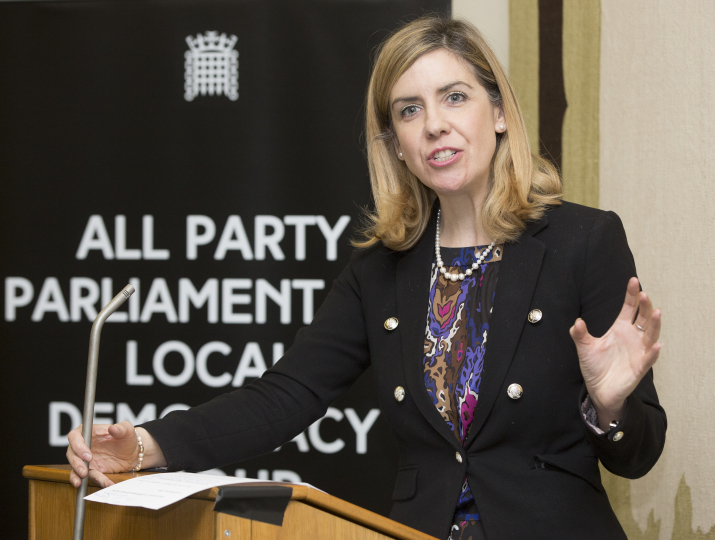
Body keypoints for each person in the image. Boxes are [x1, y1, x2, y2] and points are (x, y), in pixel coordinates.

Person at [66, 15, 666, 540]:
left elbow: (639, 455)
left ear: (501, 112)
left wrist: (610, 405)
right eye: (410, 110)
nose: (434, 125)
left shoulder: (583, 241)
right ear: (397, 144)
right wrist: (146, 445)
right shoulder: (382, 268)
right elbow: (286, 396)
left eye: (455, 97)